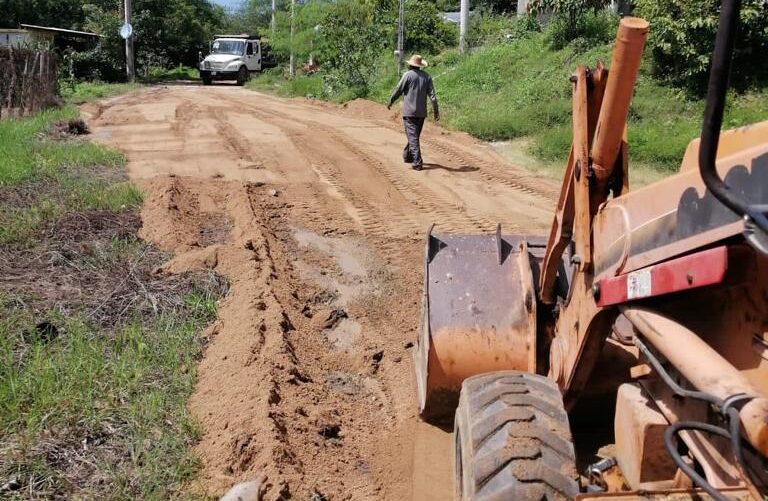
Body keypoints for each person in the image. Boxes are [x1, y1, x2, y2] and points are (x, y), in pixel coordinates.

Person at [387, 54, 439, 171]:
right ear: (420, 66)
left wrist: (391, 100)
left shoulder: (407, 75)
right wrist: (436, 110)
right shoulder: (427, 77)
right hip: (421, 113)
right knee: (414, 136)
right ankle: (407, 155)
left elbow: (398, 90)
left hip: (409, 112)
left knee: (413, 137)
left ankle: (417, 162)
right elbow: (433, 96)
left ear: (410, 65)